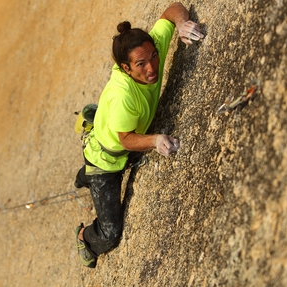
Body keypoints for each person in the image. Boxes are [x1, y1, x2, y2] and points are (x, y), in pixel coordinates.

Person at [74, 2, 205, 268]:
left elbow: (174, 9)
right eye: (141, 64)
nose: (151, 68)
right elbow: (126, 140)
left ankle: (83, 177)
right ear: (125, 68)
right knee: (110, 234)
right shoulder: (124, 96)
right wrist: (155, 140)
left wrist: (181, 25)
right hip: (106, 160)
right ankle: (83, 236)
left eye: (154, 57)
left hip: (109, 135)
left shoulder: (149, 47)